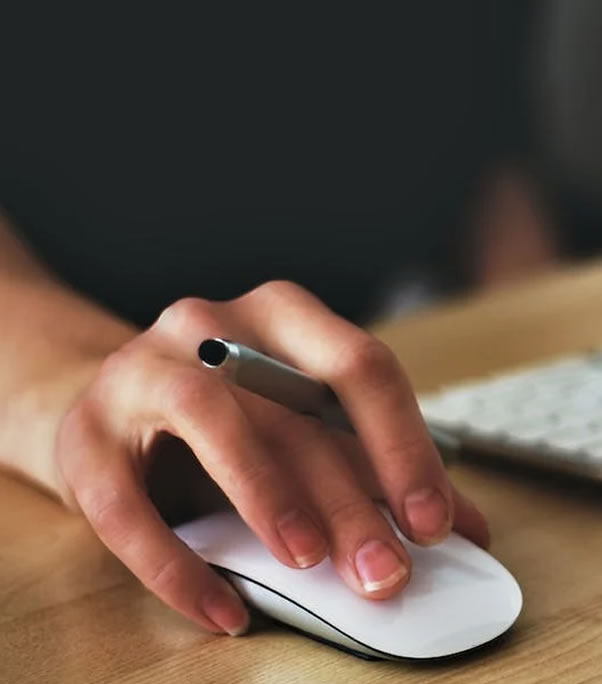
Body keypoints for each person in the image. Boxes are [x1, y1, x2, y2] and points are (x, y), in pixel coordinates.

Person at [1, 4, 548, 637]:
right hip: (98, 347)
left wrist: (536, 389)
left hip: (365, 389)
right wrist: (78, 387)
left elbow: (493, 153)